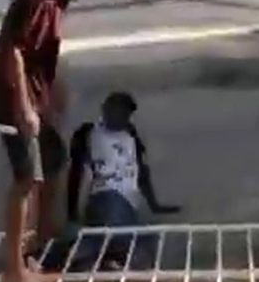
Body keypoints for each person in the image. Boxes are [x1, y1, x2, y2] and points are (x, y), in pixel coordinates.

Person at [0, 0, 95, 282]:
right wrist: (24, 108)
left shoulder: (56, 2)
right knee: (26, 178)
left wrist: (53, 88)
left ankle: (39, 245)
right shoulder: (35, 0)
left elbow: (39, 56)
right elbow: (12, 51)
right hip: (10, 98)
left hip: (34, 96)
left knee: (55, 162)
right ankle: (14, 271)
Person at [60, 92, 181, 270]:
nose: (123, 117)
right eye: (117, 110)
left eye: (126, 113)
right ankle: (92, 256)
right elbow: (76, 173)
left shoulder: (131, 135)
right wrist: (72, 213)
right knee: (117, 230)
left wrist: (154, 205)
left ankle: (94, 258)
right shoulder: (89, 133)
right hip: (105, 196)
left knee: (147, 239)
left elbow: (141, 171)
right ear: (105, 109)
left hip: (128, 204)